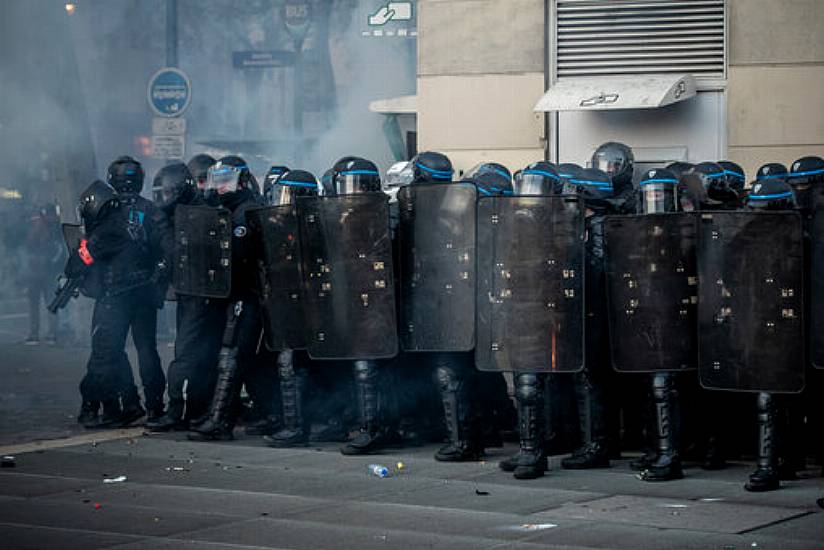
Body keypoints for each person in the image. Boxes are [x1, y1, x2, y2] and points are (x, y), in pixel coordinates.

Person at [71, 156, 166, 427]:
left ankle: (101, 406)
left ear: (112, 180)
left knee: (106, 352)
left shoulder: (106, 211)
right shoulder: (151, 210)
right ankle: (155, 409)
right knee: (147, 349)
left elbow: (90, 252)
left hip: (115, 293)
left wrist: (77, 263)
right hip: (145, 292)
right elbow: (163, 250)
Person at [146, 161, 219, 431]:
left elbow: (177, 254)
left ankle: (179, 409)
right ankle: (197, 409)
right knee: (196, 353)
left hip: (199, 295)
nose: (161, 200)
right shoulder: (186, 212)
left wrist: (163, 226)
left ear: (178, 190)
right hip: (192, 294)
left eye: (165, 193)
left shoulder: (195, 216)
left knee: (187, 354)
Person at [24, 202, 64, 345]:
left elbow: (59, 250)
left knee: (51, 303)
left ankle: (51, 334)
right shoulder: (36, 226)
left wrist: (52, 264)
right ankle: (35, 334)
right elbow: (29, 246)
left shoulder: (57, 229)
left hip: (48, 272)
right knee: (35, 303)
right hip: (36, 270)